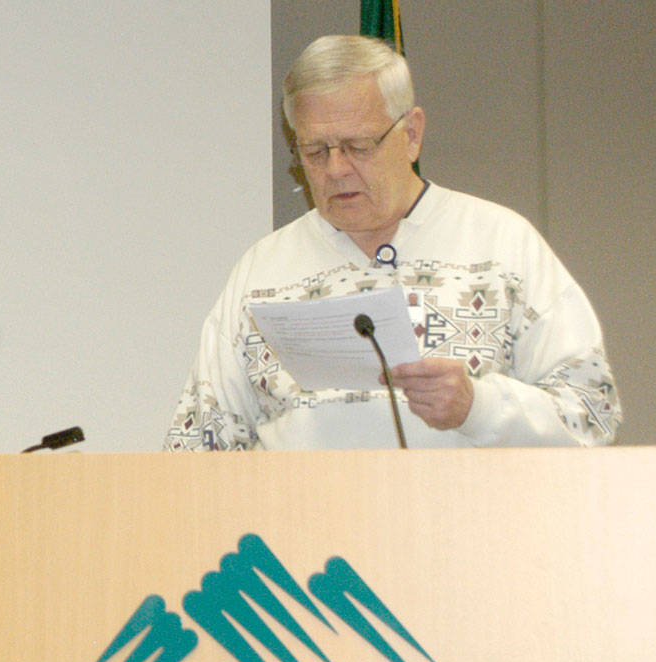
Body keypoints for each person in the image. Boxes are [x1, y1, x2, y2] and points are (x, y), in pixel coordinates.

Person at [165, 35, 620, 451]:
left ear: (412, 134)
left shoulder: (501, 245)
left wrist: (477, 407)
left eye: (358, 146)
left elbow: (591, 414)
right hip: (302, 534)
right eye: (315, 151)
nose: (336, 169)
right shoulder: (262, 271)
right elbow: (199, 444)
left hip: (472, 531)